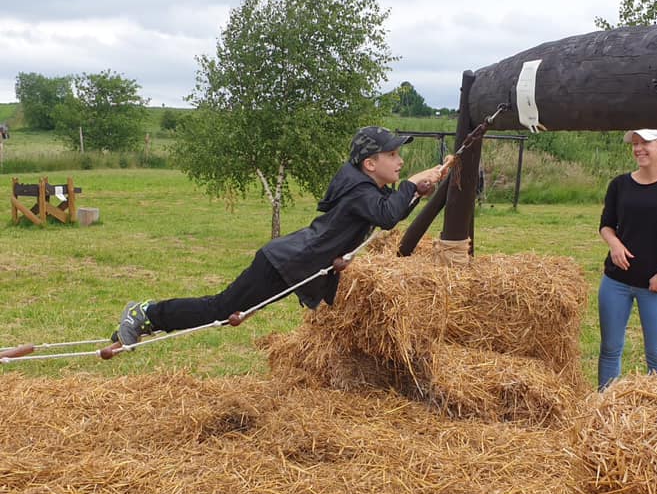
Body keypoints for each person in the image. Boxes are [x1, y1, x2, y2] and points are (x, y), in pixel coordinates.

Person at [112, 126, 444, 346]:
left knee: (223, 311)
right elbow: (386, 216)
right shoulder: (360, 191)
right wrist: (412, 185)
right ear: (370, 164)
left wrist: (415, 192)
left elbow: (389, 209)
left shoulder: (363, 188)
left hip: (291, 264)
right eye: (393, 155)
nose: (400, 161)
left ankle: (148, 320)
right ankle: (144, 312)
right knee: (220, 309)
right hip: (283, 262)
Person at [597, 128, 657, 389]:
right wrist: (614, 244)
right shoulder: (620, 184)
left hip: (656, 284)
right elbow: (606, 225)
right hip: (615, 282)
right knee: (609, 349)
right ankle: (604, 409)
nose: (638, 148)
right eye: (635, 143)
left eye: (645, 143)